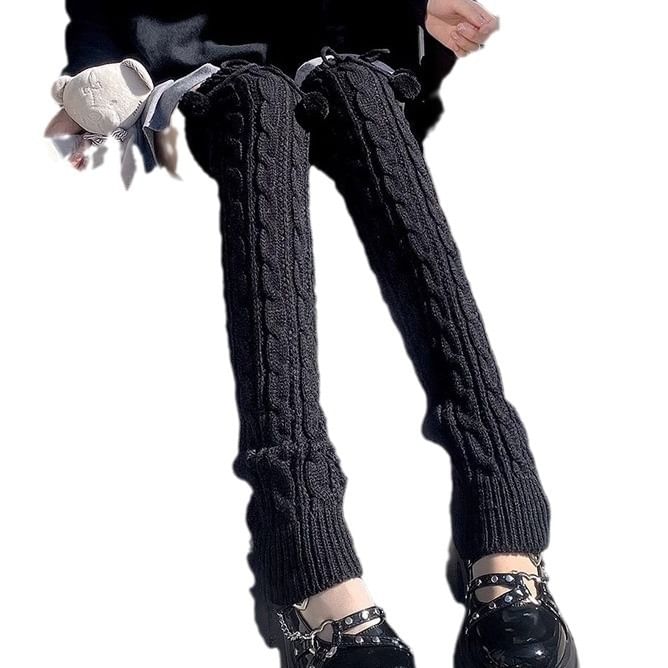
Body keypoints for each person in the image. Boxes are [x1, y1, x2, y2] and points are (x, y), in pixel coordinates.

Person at [52, 2, 579, 666]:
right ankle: (303, 549)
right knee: (258, 107)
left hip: (346, 39)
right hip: (217, 64)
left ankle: (502, 511)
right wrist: (92, 71)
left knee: (359, 93)